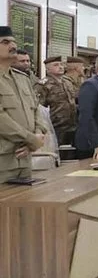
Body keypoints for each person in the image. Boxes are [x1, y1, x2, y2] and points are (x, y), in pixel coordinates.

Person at [0, 26, 46, 183]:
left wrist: (37, 137)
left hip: (25, 157)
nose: (13, 46)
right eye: (5, 42)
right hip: (3, 158)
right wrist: (31, 139)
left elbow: (36, 111)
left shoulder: (23, 79)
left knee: (24, 205)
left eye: (14, 42)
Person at [35, 56, 78, 145]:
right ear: (48, 69)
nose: (61, 67)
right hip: (55, 127)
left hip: (72, 125)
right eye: (56, 65)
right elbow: (39, 108)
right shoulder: (43, 85)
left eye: (61, 64)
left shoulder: (67, 82)